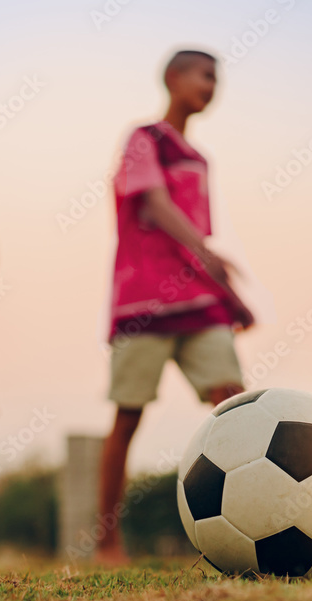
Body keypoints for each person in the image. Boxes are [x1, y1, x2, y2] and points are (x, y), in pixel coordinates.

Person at [95, 50, 255, 566]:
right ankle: (107, 541)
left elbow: (197, 233)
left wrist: (225, 289)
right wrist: (210, 256)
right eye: (204, 75)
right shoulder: (145, 139)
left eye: (218, 79)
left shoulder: (201, 159)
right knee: (128, 415)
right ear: (173, 78)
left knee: (234, 406)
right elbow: (156, 206)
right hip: (143, 300)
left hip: (199, 302)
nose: (212, 85)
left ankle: (257, 526)